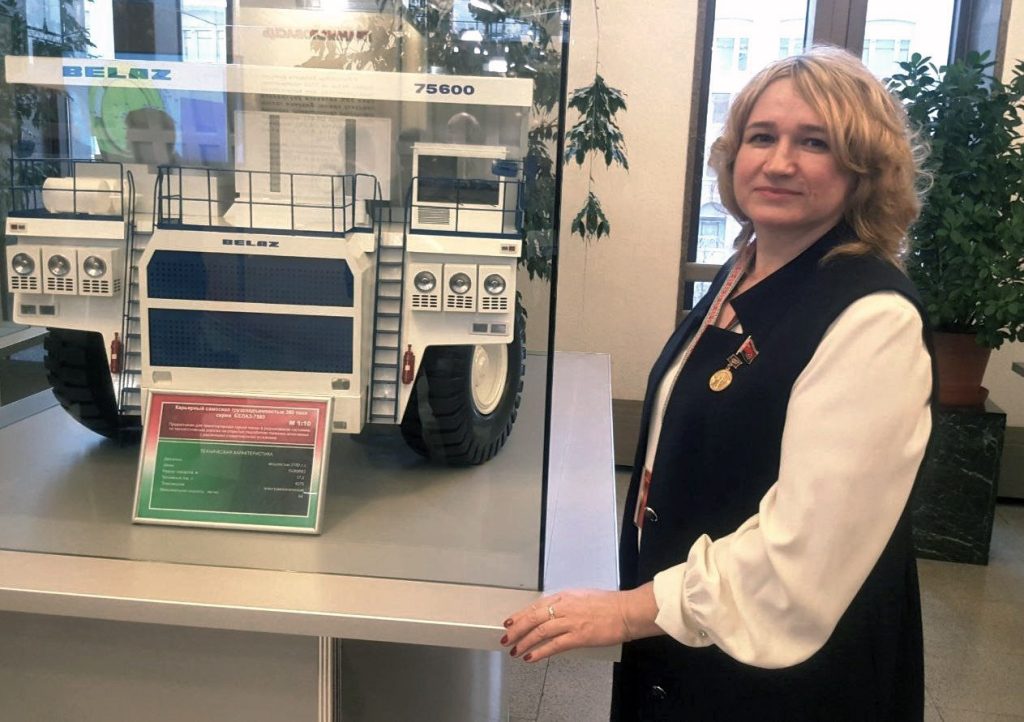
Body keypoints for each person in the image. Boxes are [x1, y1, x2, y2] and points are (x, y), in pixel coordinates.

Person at [500, 46, 934, 721]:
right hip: (684, 638)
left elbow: (803, 553)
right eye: (762, 137)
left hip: (787, 678)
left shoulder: (872, 317)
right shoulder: (745, 269)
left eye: (814, 143)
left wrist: (627, 611)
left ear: (864, 170)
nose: (779, 162)